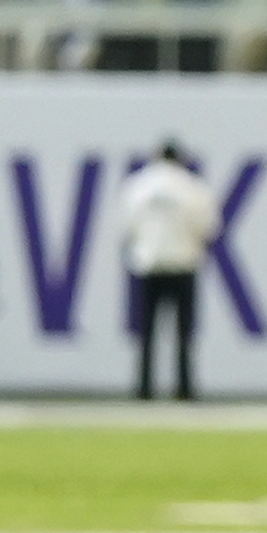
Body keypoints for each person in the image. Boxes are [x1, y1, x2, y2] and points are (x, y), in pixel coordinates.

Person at [114, 141, 217, 402]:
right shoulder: (192, 187)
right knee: (184, 333)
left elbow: (126, 226)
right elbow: (207, 226)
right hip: (183, 264)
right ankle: (184, 388)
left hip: (149, 264)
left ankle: (144, 388)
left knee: (147, 333)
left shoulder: (139, 185)